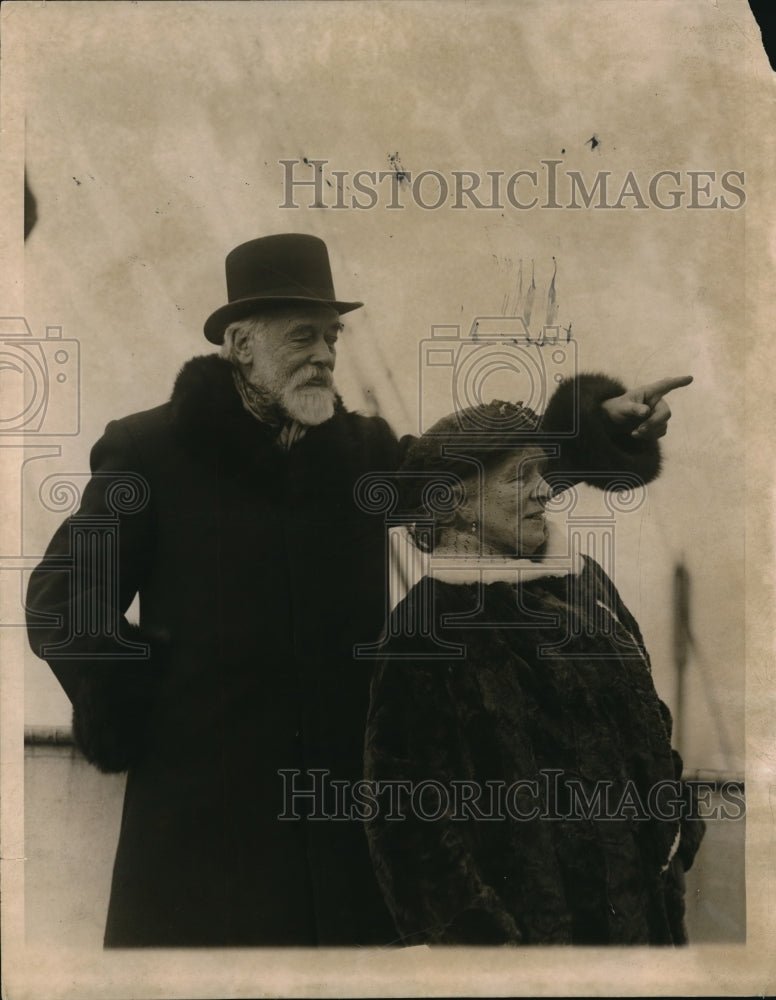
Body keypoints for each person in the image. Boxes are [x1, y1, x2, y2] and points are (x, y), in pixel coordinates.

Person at [26, 231, 691, 947]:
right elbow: (63, 601)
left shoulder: (361, 452)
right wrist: (149, 710)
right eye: (302, 337)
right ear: (241, 345)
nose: (323, 355)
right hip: (202, 832)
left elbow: (476, 481)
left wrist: (595, 432)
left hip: (342, 835)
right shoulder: (150, 452)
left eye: (332, 338)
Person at [364, 394, 705, 946]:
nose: (546, 490)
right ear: (453, 500)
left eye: (542, 472)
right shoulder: (427, 628)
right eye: (521, 476)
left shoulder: (585, 582)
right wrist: (492, 951)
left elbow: (650, 717)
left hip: (648, 927)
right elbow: (409, 823)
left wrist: (676, 836)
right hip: (543, 948)